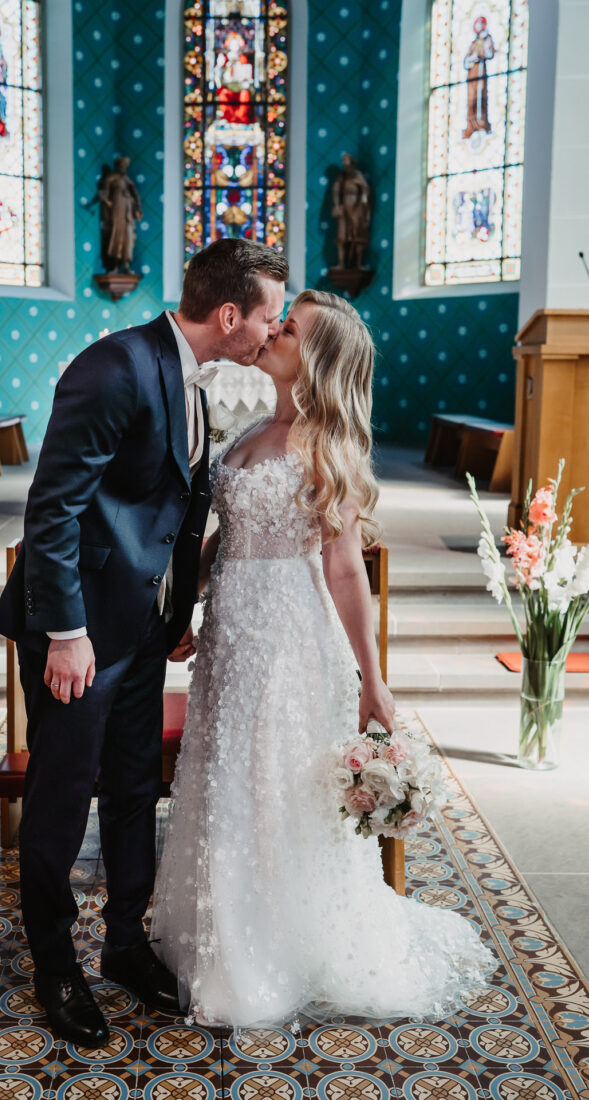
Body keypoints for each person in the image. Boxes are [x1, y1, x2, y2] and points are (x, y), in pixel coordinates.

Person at [152, 290, 497, 1027]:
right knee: (225, 777)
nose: (272, 329)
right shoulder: (248, 431)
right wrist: (189, 602)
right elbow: (228, 536)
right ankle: (221, 934)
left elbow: (344, 572)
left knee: (275, 784)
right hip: (230, 634)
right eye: (279, 321)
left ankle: (271, 951)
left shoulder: (326, 446)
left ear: (319, 359)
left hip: (288, 640)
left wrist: (373, 680)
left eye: (289, 327)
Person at [0, 239, 288, 1046]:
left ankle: (124, 945)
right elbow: (51, 511)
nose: (273, 330)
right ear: (229, 316)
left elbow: (177, 510)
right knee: (59, 797)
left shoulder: (194, 376)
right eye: (267, 317)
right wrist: (65, 634)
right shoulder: (113, 366)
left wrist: (178, 611)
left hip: (143, 629)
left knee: (130, 790)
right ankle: (55, 963)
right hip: (78, 634)